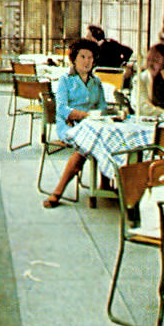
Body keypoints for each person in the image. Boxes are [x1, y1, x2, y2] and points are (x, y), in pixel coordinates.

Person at [42, 39, 108, 209]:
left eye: (90, 58)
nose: (87, 61)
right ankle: (58, 190)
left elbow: (103, 107)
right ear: (74, 59)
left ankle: (105, 185)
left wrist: (96, 116)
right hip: (68, 126)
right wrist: (83, 115)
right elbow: (62, 108)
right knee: (85, 146)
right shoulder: (65, 80)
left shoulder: (96, 82)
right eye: (83, 57)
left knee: (103, 139)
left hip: (91, 125)